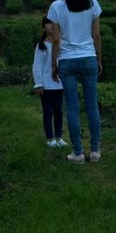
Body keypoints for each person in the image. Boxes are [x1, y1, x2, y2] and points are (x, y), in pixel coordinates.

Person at [46, 0, 103, 165]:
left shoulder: (56, 7)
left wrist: (54, 64)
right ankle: (95, 151)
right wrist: (99, 59)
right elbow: (96, 34)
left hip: (67, 61)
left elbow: (55, 40)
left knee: (72, 107)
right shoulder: (93, 4)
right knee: (92, 105)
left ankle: (78, 153)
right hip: (88, 58)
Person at [32, 16, 67, 148]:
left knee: (59, 111)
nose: (51, 26)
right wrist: (38, 84)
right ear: (44, 27)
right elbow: (37, 65)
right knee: (48, 111)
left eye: (53, 23)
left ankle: (59, 137)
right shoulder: (41, 46)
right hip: (46, 85)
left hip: (59, 83)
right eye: (48, 23)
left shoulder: (61, 44)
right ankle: (50, 138)